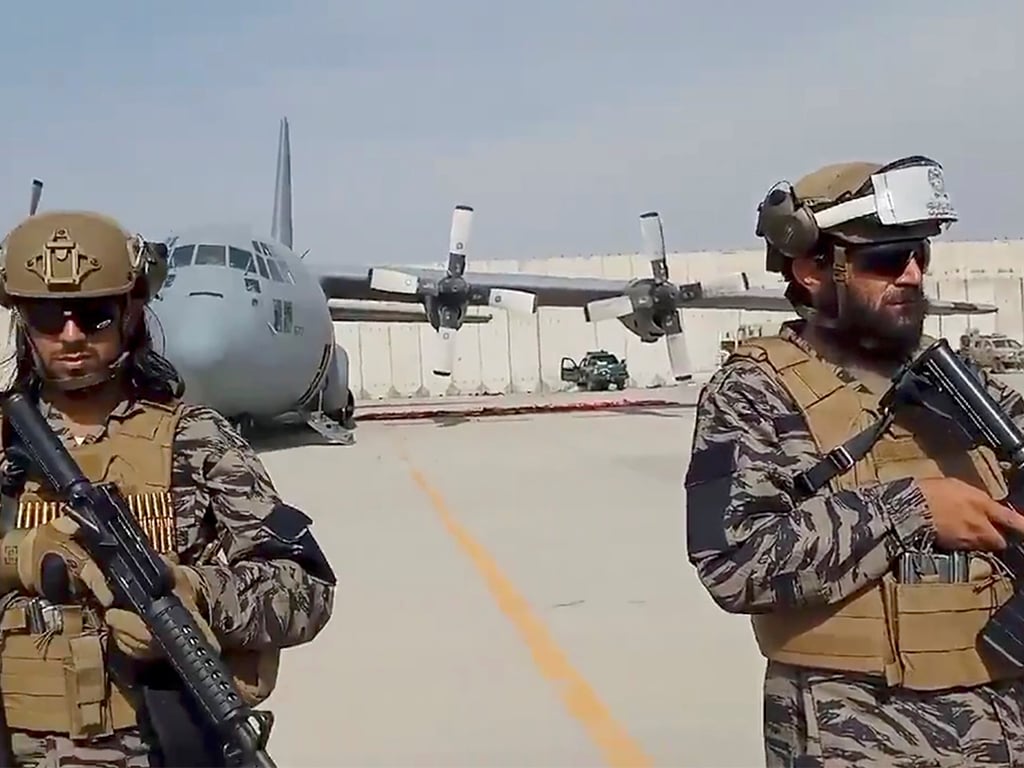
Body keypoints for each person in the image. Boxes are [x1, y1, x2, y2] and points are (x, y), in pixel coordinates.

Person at [685, 157, 1024, 767]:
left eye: (919, 253)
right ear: (812, 268)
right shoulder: (755, 392)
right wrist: (912, 508)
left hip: (1002, 718)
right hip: (857, 731)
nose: (914, 274)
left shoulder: (962, 385)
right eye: (886, 260)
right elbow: (733, 562)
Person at [0, 210, 337, 766]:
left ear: (132, 310)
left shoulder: (195, 437)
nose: (71, 336)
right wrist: (19, 555)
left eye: (94, 315)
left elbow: (305, 589)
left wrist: (198, 594)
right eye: (45, 317)